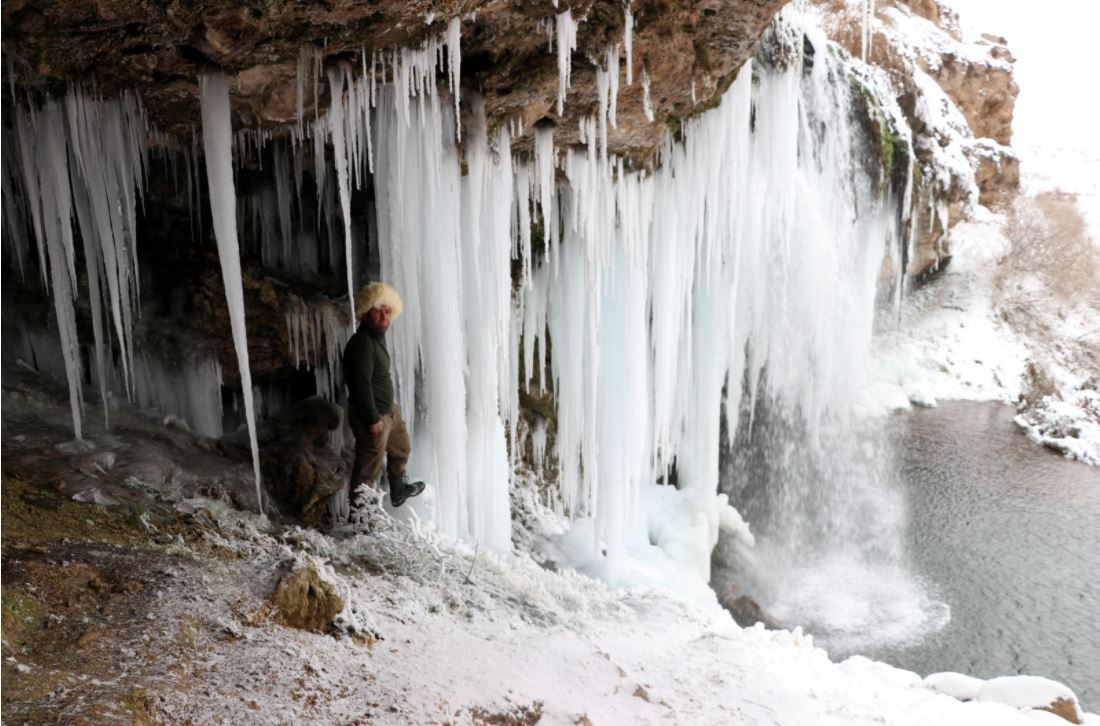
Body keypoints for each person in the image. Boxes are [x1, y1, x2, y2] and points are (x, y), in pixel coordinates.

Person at [343, 282, 425, 512]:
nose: (383, 316)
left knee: (401, 447)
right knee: (368, 468)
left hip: (389, 411)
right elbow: (360, 385)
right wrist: (371, 418)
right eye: (377, 310)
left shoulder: (377, 339)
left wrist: (389, 408)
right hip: (373, 415)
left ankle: (397, 490)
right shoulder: (362, 344)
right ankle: (360, 517)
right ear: (366, 311)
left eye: (387, 311)